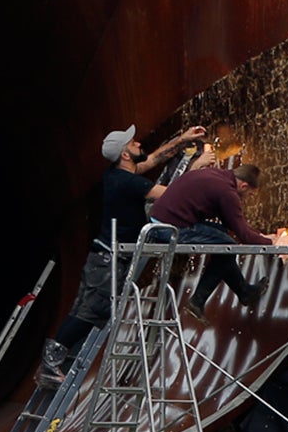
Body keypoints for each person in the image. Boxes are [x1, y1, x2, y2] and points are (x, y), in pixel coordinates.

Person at [41, 122, 206, 382]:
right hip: (108, 263)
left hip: (100, 258)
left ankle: (56, 359)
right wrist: (197, 167)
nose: (138, 143)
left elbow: (152, 159)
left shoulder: (116, 175)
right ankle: (51, 361)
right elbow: (172, 195)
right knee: (93, 313)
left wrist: (182, 139)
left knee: (81, 312)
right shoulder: (128, 183)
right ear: (125, 155)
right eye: (133, 143)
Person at [148, 159, 283, 319]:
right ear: (244, 186)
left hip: (159, 220)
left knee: (223, 238)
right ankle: (198, 301)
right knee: (227, 247)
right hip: (170, 229)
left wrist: (261, 236)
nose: (248, 197)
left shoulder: (218, 177)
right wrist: (273, 243)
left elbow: (232, 222)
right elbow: (243, 234)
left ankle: (244, 292)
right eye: (250, 194)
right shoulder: (227, 193)